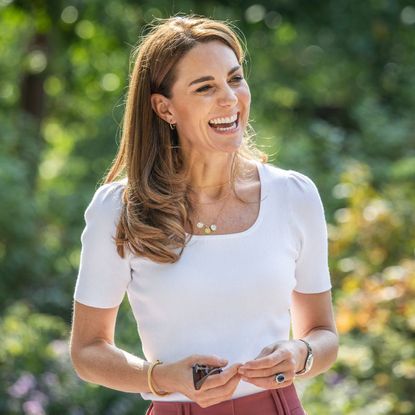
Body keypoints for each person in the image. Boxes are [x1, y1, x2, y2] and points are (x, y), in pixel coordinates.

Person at [70, 15, 339, 415]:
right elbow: (87, 351)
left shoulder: (294, 195)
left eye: (235, 79)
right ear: (164, 108)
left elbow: (324, 336)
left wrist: (300, 353)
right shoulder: (119, 210)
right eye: (205, 87)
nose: (229, 98)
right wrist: (158, 377)